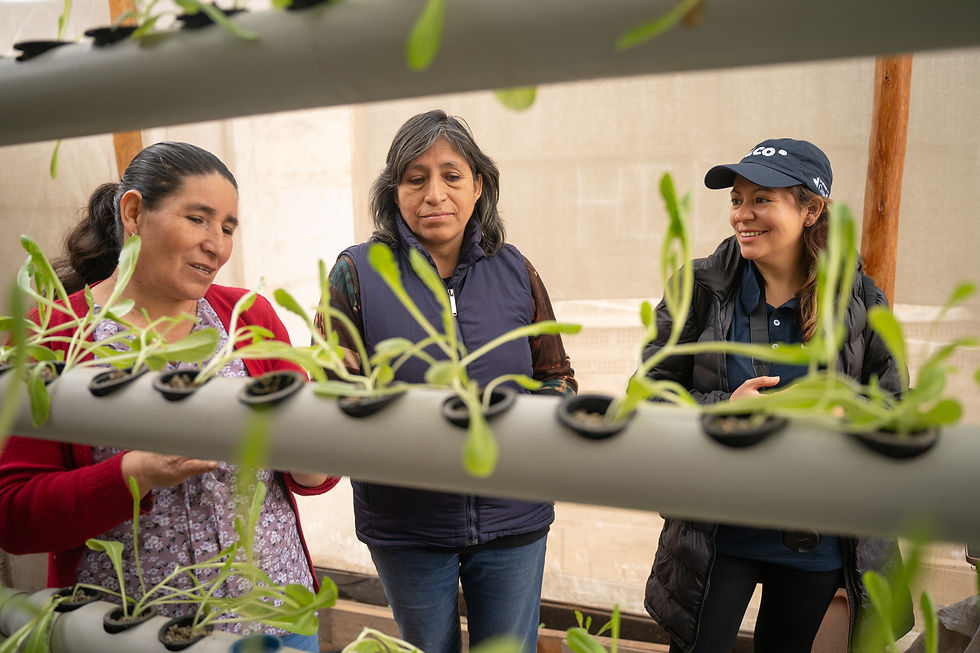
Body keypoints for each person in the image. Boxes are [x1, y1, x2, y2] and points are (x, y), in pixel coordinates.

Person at [0, 141, 336, 653]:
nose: (217, 246)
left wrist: (314, 443)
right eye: (198, 219)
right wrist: (134, 474)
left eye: (227, 227)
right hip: (129, 633)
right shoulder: (54, 332)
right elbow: (15, 516)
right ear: (133, 213)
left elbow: (309, 471)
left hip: (277, 620)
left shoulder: (249, 316)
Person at [318, 110, 577, 653]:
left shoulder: (516, 270)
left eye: (452, 176)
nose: (435, 193)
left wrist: (527, 427)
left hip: (514, 515)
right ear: (395, 192)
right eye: (416, 178)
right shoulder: (356, 272)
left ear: (478, 186)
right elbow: (335, 397)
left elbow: (557, 378)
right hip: (406, 523)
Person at [642, 138, 913, 652]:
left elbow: (896, 407)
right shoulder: (699, 289)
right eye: (737, 200)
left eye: (761, 199)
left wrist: (848, 415)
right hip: (717, 533)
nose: (742, 215)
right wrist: (722, 409)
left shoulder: (860, 301)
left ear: (811, 210)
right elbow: (649, 394)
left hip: (812, 536)